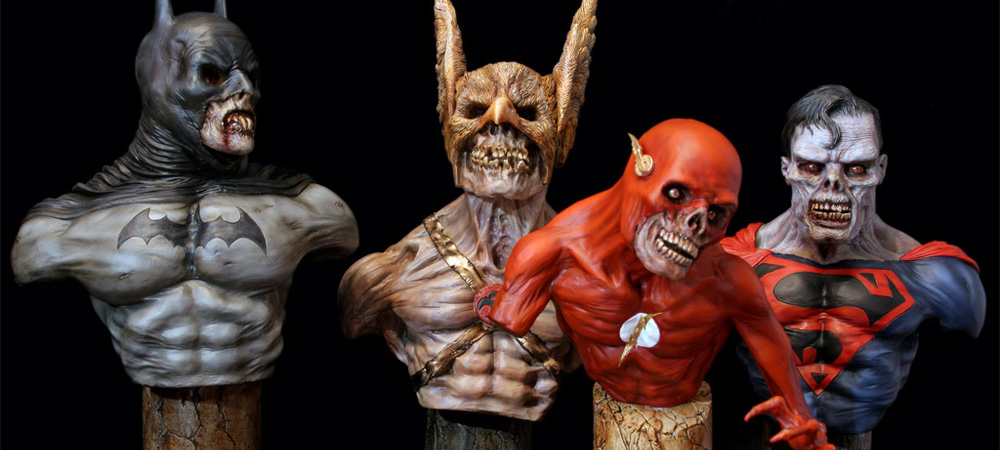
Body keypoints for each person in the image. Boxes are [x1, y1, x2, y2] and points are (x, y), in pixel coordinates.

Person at [10, 1, 359, 389]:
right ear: (158, 83)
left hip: (248, 391)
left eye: (251, 76)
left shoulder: (310, 207)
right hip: (157, 399)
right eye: (212, 74)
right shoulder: (64, 225)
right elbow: (30, 261)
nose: (246, 90)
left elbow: (345, 239)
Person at [477, 119, 832, 450]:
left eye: (714, 214)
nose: (695, 225)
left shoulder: (725, 278)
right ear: (638, 168)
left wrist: (800, 417)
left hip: (686, 415)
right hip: (611, 416)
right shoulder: (552, 252)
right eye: (676, 194)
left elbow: (770, 342)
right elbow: (508, 317)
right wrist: (499, 299)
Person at [720, 85, 986, 446]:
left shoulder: (937, 274)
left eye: (856, 168)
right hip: (769, 438)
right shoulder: (734, 261)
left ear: (881, 169)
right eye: (812, 167)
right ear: (787, 169)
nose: (833, 184)